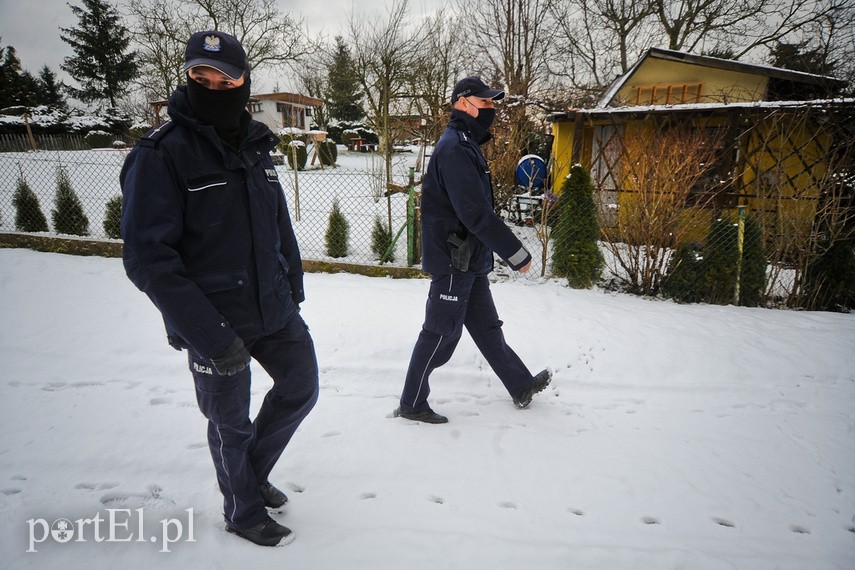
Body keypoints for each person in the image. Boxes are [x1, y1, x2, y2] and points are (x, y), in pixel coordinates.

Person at [120, 31, 318, 547]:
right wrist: (207, 333)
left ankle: (248, 476)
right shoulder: (161, 155)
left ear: (243, 81)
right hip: (214, 321)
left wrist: (291, 290)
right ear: (186, 76)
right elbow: (148, 258)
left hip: (272, 308)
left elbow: (280, 227)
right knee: (230, 424)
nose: (211, 85)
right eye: (199, 76)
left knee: (300, 387)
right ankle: (243, 510)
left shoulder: (255, 146)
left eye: (223, 78)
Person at [396, 76, 552, 424]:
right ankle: (412, 402)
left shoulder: (466, 144)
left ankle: (520, 384)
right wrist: (516, 254)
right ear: (462, 103)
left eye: (493, 103)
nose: (492, 108)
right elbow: (474, 212)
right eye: (485, 102)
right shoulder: (454, 148)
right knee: (440, 334)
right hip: (454, 260)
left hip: (470, 257)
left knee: (487, 329)